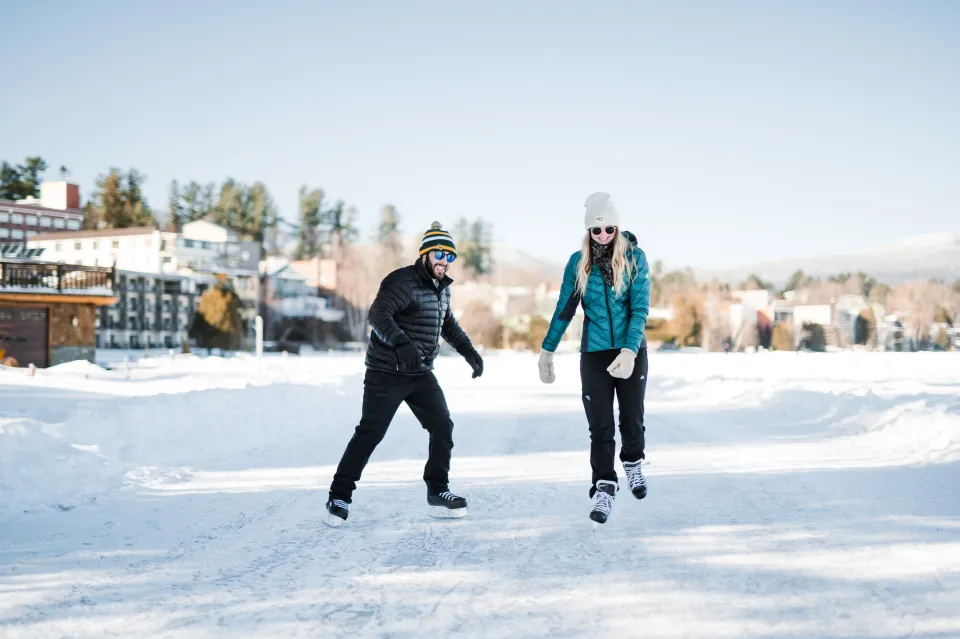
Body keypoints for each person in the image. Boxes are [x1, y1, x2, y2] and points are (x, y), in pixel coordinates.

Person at [325, 222, 484, 527]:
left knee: (442, 427)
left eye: (450, 255)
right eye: (439, 253)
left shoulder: (441, 289)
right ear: (425, 254)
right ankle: (339, 496)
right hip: (386, 371)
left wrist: (469, 352)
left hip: (420, 373)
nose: (444, 260)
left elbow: (447, 325)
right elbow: (377, 315)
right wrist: (401, 344)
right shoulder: (402, 281)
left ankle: (438, 491)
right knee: (370, 433)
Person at [537, 193, 651, 525]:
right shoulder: (578, 262)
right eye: (596, 231)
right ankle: (604, 485)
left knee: (631, 421)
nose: (602, 236)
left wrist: (630, 350)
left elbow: (640, 309)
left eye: (609, 230)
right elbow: (564, 310)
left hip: (631, 351)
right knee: (600, 425)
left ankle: (632, 462)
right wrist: (547, 350)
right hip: (595, 353)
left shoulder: (635, 258)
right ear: (588, 232)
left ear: (618, 228)